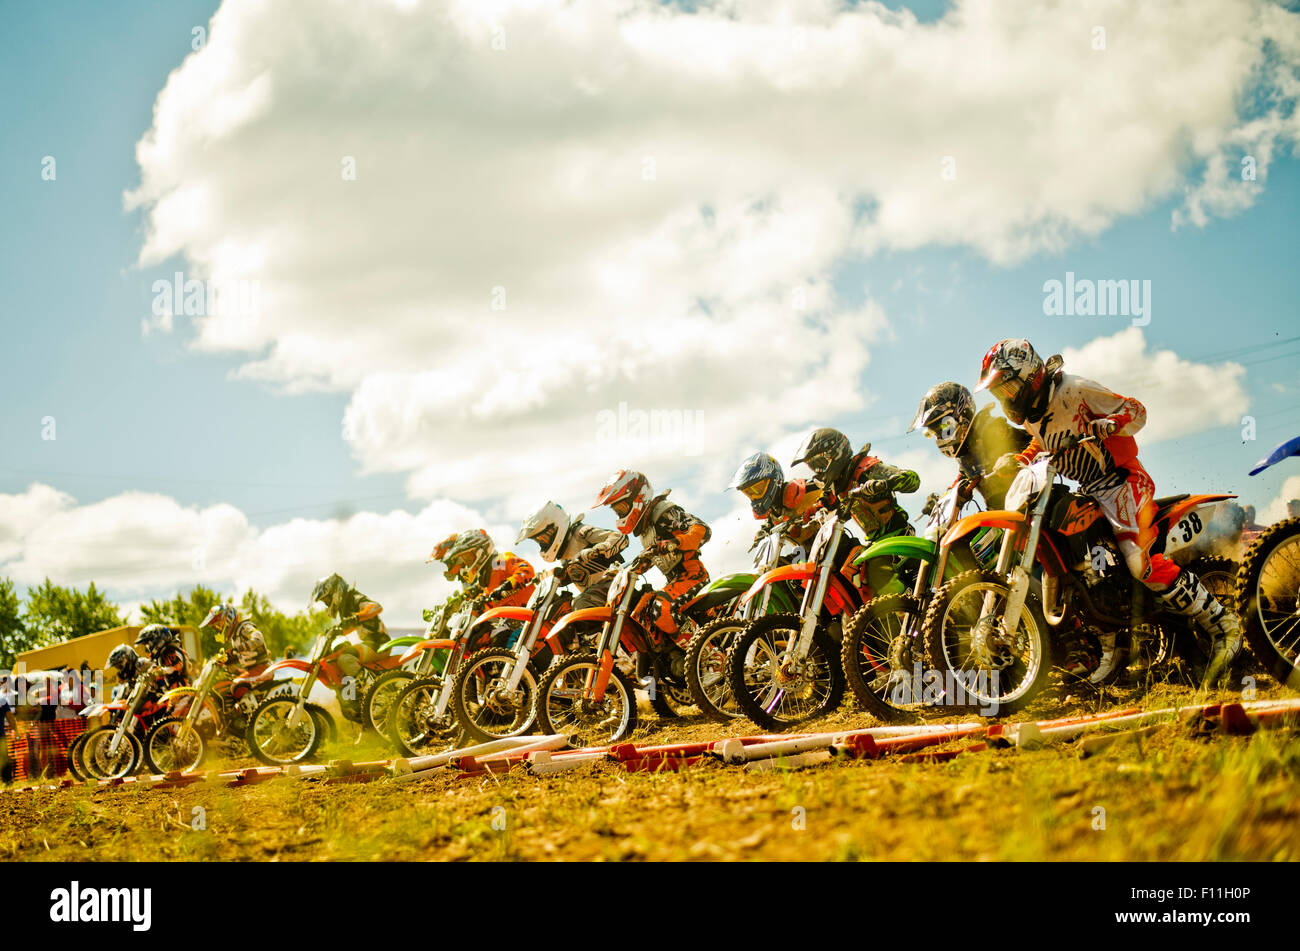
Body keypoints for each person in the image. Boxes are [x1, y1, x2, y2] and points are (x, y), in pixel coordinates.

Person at [976, 337, 1244, 686]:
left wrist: (1113, 422)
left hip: (1123, 481)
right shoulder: (1033, 414)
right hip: (1090, 490)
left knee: (1138, 562)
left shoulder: (1075, 390)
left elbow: (1137, 410)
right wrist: (1021, 459)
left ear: (1031, 376)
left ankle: (1224, 626)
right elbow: (1042, 442)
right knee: (1087, 568)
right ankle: (1111, 649)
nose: (1007, 397)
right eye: (1000, 392)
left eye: (1009, 386)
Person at [790, 427, 920, 597]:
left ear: (835, 454)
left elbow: (913, 480)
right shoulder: (840, 485)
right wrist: (803, 516)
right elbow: (826, 506)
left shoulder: (866, 469)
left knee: (876, 570)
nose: (818, 471)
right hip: (876, 544)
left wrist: (884, 484)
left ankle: (910, 608)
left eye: (820, 464)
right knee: (851, 570)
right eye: (814, 467)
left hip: (899, 536)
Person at [592, 469, 711, 639]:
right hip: (675, 581)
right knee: (641, 611)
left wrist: (676, 542)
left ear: (637, 498)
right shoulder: (646, 528)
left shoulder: (664, 512)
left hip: (693, 576)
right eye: (617, 512)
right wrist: (623, 571)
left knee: (661, 609)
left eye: (621, 509)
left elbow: (702, 529)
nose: (620, 515)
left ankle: (710, 656)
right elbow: (650, 556)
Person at [907, 381, 1030, 510]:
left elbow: (1034, 442)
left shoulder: (989, 428)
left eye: (942, 427)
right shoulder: (965, 451)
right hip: (1000, 515)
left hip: (1030, 505)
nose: (940, 434)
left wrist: (1014, 459)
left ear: (961, 413)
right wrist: (940, 502)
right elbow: (963, 478)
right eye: (935, 431)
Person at [516, 501, 628, 610]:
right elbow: (574, 573)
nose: (543, 543)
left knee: (580, 604)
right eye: (539, 541)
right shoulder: (564, 555)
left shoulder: (581, 533)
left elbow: (620, 538)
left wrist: (596, 550)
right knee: (559, 609)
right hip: (597, 596)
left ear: (556, 524)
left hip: (615, 586)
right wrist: (549, 576)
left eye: (544, 537)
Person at [727, 451, 823, 549]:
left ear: (774, 480)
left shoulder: (801, 491)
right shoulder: (773, 511)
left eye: (757, 489)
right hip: (807, 555)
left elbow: (827, 488)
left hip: (832, 542)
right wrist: (763, 533)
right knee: (779, 564)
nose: (754, 497)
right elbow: (768, 526)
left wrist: (820, 504)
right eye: (749, 493)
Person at [427, 529, 537, 612]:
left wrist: (506, 586)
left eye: (468, 557)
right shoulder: (485, 574)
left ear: (481, 550)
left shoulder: (499, 562)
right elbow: (489, 595)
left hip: (527, 614)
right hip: (507, 619)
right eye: (464, 559)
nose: (466, 563)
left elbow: (526, 570)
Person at [199, 603, 271, 677]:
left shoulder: (244, 628)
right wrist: (227, 662)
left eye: (218, 625)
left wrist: (237, 649)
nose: (218, 630)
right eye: (215, 628)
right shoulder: (235, 638)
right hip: (252, 671)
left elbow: (258, 639)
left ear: (227, 619)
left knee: (237, 684)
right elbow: (241, 658)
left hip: (263, 668)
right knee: (225, 684)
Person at [134, 624, 190, 690]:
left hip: (182, 691)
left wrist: (162, 671)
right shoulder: (162, 655)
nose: (148, 648)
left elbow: (179, 665)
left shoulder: (171, 650)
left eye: (148, 645)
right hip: (173, 692)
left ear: (157, 641)